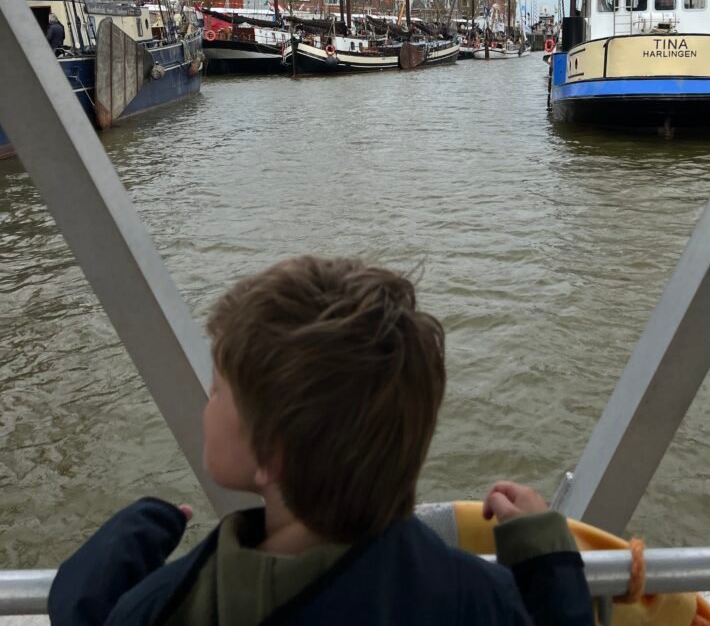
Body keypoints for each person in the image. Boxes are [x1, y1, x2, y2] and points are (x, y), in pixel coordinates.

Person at [48, 257, 592, 625]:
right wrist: (545, 563)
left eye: (217, 392)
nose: (205, 406)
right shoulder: (477, 598)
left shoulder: (172, 604)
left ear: (271, 455)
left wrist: (94, 585)